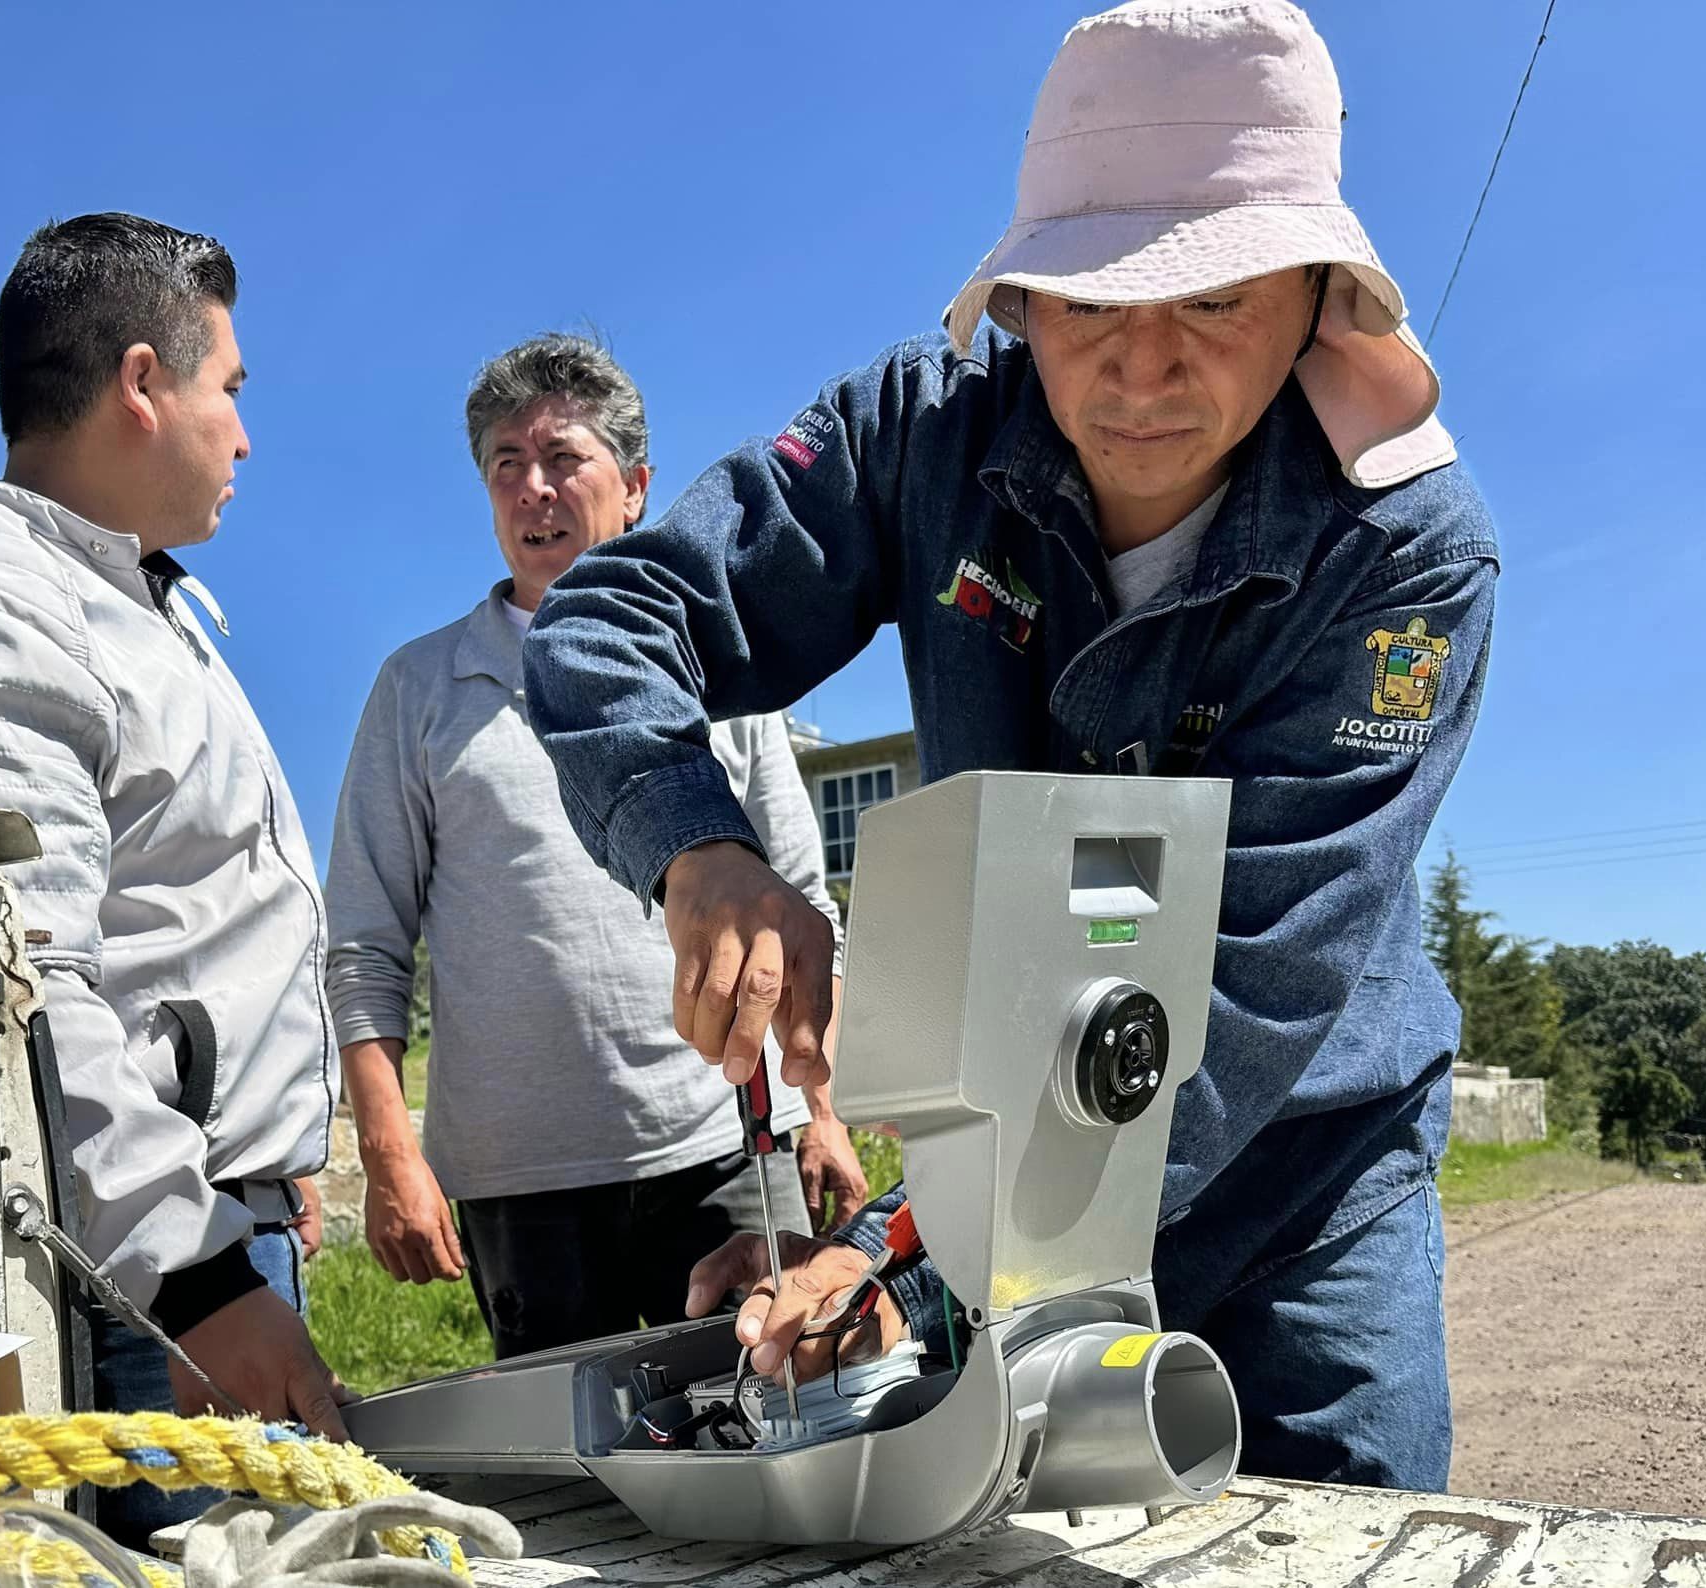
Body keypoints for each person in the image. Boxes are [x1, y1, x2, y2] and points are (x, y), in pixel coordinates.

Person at [521, 0, 1496, 1489]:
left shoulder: (1403, 555)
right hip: (990, 1162)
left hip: (1307, 1168)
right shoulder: (920, 432)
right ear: (1023, 301)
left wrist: (907, 1260)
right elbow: (611, 619)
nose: (1141, 371)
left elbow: (1250, 978)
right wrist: (695, 854)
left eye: (1217, 303)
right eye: (1091, 304)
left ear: (1318, 294)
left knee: (1344, 1528)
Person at [0, 212, 345, 1547]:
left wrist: (279, 1167)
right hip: (134, 1295)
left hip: (195, 1235)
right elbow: (29, 1002)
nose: (243, 432)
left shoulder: (124, 601)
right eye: (228, 388)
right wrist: (202, 1274)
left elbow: (185, 926)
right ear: (141, 384)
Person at [325, 333, 867, 1357]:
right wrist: (389, 1152)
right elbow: (363, 943)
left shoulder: (721, 676)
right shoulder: (419, 690)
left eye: (563, 458)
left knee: (754, 1418)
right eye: (505, 466)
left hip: (716, 1147)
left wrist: (820, 1113)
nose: (533, 489)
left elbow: (800, 900)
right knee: (565, 1472)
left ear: (635, 488)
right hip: (516, 1182)